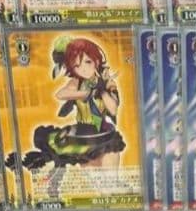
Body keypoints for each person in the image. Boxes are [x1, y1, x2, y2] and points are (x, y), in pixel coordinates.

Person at [22, 37, 125, 170]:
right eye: (77, 66)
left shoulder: (108, 82)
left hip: (103, 134)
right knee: (91, 176)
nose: (83, 69)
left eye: (88, 62)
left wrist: (102, 90)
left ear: (97, 61)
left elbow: (113, 109)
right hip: (83, 134)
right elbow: (61, 94)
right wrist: (87, 93)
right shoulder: (78, 82)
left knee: (110, 175)